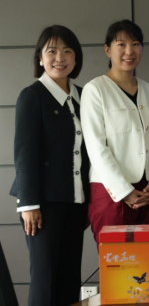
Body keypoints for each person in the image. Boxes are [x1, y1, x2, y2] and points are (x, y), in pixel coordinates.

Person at [10, 25, 90, 306]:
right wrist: (28, 204)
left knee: (69, 279)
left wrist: (88, 201)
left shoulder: (84, 96)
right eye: (52, 51)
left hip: (75, 202)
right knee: (44, 281)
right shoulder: (32, 96)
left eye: (67, 51)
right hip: (42, 204)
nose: (60, 58)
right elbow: (24, 153)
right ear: (40, 58)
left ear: (76, 57)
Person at [81, 20, 149, 245]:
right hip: (111, 192)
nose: (129, 51)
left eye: (136, 44)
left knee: (147, 261)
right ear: (108, 50)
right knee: (118, 261)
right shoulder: (95, 90)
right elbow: (96, 147)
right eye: (121, 44)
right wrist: (124, 191)